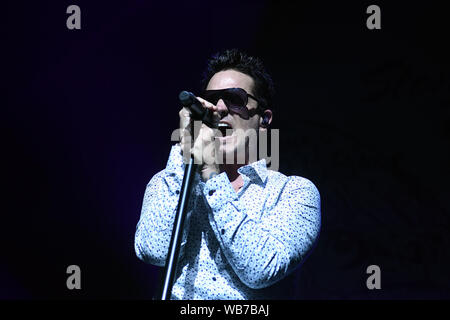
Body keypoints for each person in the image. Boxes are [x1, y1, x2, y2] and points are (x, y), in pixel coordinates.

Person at [134, 49, 321, 300]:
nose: (220, 108)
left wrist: (213, 176)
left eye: (235, 98)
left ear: (263, 120)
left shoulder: (293, 193)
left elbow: (260, 269)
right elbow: (153, 250)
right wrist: (185, 149)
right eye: (212, 99)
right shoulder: (170, 180)